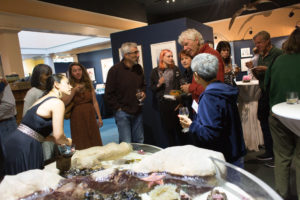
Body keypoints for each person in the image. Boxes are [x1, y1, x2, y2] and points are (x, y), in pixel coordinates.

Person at [178, 53, 246, 167]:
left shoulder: (209, 97)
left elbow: (209, 134)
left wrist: (191, 125)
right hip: (235, 153)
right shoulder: (225, 90)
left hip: (223, 158)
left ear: (196, 75)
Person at [1, 74, 72, 175]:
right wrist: (67, 141)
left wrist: (54, 139)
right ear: (56, 84)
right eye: (68, 83)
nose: (71, 87)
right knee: (27, 185)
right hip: (25, 147)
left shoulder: (43, 99)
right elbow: (58, 136)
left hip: (15, 143)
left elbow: (35, 131)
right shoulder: (57, 103)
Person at [265, 27, 300, 199]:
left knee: (281, 157)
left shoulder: (277, 61)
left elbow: (266, 86)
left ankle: (281, 195)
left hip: (278, 117)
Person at [248, 31, 283, 166]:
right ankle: (269, 151)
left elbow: (280, 74)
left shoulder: (278, 54)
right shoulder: (261, 56)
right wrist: (254, 70)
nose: (257, 46)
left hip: (275, 94)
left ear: (268, 40)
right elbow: (261, 79)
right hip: (264, 92)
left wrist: (267, 70)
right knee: (262, 119)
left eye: (259, 42)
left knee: (276, 124)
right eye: (255, 43)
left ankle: (277, 155)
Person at [105, 42, 146, 144]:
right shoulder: (114, 70)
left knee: (139, 141)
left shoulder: (138, 68)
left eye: (137, 52)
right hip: (122, 113)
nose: (138, 55)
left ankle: (139, 160)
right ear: (126, 55)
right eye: (135, 52)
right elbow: (109, 93)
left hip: (137, 111)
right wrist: (118, 109)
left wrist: (144, 93)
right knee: (126, 143)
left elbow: (143, 86)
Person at [178, 28, 225, 102]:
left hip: (209, 107)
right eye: (183, 46)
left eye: (186, 44)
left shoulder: (210, 55)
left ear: (196, 40)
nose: (184, 48)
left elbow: (215, 87)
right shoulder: (199, 56)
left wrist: (191, 88)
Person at [65, 62, 103, 150]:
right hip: (77, 116)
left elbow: (94, 102)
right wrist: (74, 91)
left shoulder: (88, 84)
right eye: (74, 71)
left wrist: (99, 117)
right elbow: (65, 102)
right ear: (71, 73)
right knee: (80, 139)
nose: (77, 72)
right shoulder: (68, 86)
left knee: (93, 136)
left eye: (79, 70)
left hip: (90, 114)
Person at [22, 64, 54, 162]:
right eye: (46, 74)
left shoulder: (50, 91)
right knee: (46, 159)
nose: (49, 77)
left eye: (50, 74)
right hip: (40, 134)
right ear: (38, 76)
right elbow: (25, 116)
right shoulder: (32, 93)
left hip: (51, 131)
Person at [151, 49, 182, 147]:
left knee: (180, 131)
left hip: (176, 104)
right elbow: (152, 88)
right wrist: (159, 83)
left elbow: (180, 86)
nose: (171, 58)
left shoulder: (176, 69)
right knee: (169, 132)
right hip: (164, 105)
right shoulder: (155, 71)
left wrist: (179, 100)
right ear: (162, 58)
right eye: (168, 56)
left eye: (172, 56)